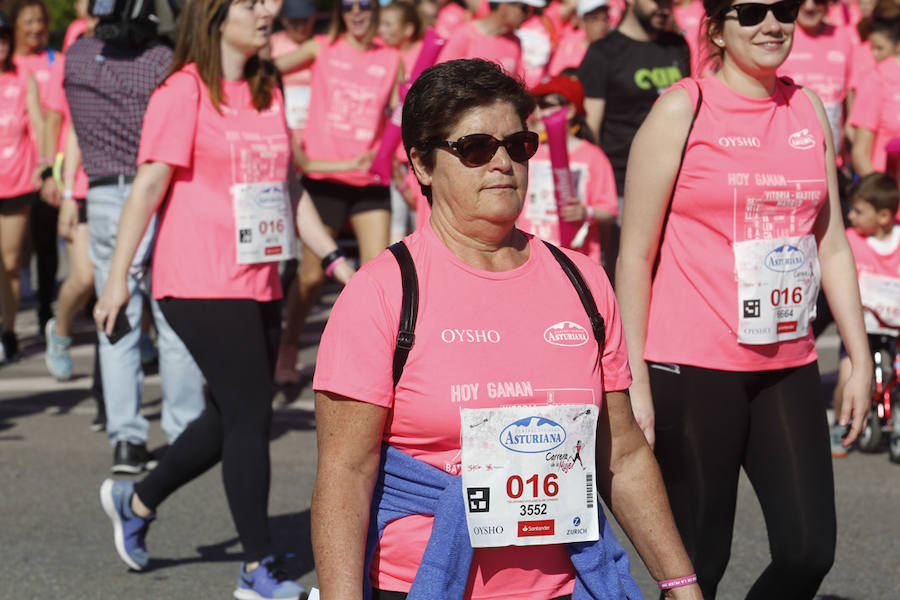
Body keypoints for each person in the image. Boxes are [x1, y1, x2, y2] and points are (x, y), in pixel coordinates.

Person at [311, 58, 702, 600]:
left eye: (517, 145)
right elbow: (344, 475)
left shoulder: (583, 280)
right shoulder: (381, 293)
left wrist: (681, 583)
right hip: (423, 584)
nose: (501, 163)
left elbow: (623, 454)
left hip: (565, 585)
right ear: (422, 164)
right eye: (474, 148)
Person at [94, 0, 353, 597]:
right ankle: (256, 570)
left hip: (259, 276)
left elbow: (289, 187)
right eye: (252, 3)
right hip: (196, 279)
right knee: (251, 414)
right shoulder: (181, 92)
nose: (269, 11)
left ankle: (135, 501)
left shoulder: (268, 89)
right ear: (213, 17)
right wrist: (116, 278)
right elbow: (148, 187)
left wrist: (335, 260)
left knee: (230, 415)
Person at [616, 0, 873, 596]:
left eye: (781, 8)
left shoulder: (806, 106)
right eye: (750, 11)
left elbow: (831, 243)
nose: (770, 24)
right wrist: (634, 380)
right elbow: (634, 254)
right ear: (716, 29)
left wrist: (857, 357)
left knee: (808, 551)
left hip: (789, 358)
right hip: (695, 362)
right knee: (699, 561)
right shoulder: (684, 107)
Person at [65, 0, 205, 473]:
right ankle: (185, 427)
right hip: (156, 194)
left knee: (115, 318)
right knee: (170, 320)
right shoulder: (163, 64)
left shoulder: (78, 57)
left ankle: (126, 437)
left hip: (102, 195)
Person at [271, 0, 403, 386]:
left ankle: (373, 363)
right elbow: (261, 74)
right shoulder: (321, 48)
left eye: (365, 5)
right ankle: (289, 345)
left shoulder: (391, 57)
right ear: (340, 13)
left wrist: (394, 158)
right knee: (311, 279)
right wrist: (285, 135)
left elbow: (400, 114)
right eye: (348, 6)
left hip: (368, 182)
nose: (357, 12)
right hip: (323, 178)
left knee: (376, 276)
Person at [577, 0, 690, 282]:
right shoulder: (603, 52)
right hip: (623, 185)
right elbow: (590, 128)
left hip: (678, 182)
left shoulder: (677, 45)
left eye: (670, 3)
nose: (665, 8)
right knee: (627, 274)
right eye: (658, 2)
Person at [517, 73, 618, 267]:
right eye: (537, 105)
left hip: (575, 258)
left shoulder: (593, 157)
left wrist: (585, 212)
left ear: (570, 110)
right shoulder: (530, 151)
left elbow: (610, 212)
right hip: (531, 253)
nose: (539, 112)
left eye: (546, 104)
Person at [834, 173, 900, 458]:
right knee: (848, 373)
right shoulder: (850, 241)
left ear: (884, 216)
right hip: (861, 323)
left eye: (859, 211)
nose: (852, 217)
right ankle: (841, 422)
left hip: (895, 322)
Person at [10, 0, 59, 336]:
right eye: (28, 21)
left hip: (48, 165)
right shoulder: (9, 62)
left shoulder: (56, 60)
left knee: (46, 242)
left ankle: (44, 310)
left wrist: (49, 166)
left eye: (40, 21)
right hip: (13, 169)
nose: (35, 28)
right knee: (13, 250)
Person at [0, 10, 42, 362]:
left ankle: (8, 329)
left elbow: (39, 125)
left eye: (3, 36)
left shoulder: (23, 78)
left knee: (11, 262)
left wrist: (46, 168)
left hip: (15, 185)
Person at [849, 14, 900, 176]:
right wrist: (883, 196)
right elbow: (860, 154)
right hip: (889, 191)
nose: (873, 54)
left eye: (879, 48)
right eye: (872, 48)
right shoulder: (875, 79)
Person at [436, 0, 539, 77]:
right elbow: (440, 75)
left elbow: (518, 83)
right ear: (504, 7)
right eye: (525, 9)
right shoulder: (465, 33)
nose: (529, 15)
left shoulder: (516, 42)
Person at [545, 0, 611, 76]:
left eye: (605, 18)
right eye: (594, 18)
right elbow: (555, 77)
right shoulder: (568, 44)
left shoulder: (616, 49)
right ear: (582, 21)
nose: (601, 24)